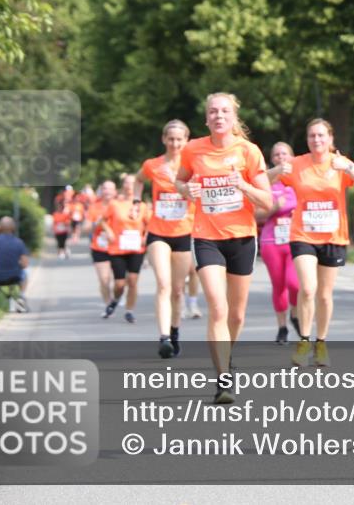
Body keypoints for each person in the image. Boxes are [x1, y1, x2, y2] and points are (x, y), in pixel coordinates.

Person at [174, 92, 272, 404]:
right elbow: (179, 181)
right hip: (206, 236)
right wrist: (185, 189)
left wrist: (243, 186)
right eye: (213, 111)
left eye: (224, 111)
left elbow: (268, 202)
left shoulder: (248, 151)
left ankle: (228, 359)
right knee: (218, 307)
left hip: (242, 237)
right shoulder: (193, 149)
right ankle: (223, 379)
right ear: (206, 119)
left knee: (237, 315)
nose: (218, 116)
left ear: (233, 117)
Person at [280, 119, 354, 368]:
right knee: (308, 289)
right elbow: (269, 180)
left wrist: (348, 168)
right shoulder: (297, 164)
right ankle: (304, 340)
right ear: (307, 139)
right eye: (312, 136)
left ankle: (321, 343)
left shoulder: (341, 163)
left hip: (333, 236)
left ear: (331, 139)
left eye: (322, 136)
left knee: (324, 295)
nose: (317, 140)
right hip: (303, 235)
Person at [136, 120, 197, 359]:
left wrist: (183, 187)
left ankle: (174, 332)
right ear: (164, 140)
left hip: (183, 232)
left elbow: (198, 193)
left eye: (179, 139)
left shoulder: (192, 167)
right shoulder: (152, 165)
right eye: (170, 139)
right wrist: (136, 201)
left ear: (186, 141)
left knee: (178, 290)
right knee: (163, 283)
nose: (174, 143)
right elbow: (139, 179)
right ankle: (163, 338)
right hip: (158, 232)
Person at [258, 142, 301, 345]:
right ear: (272, 159)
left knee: (295, 283)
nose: (280, 157)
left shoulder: (300, 181)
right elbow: (256, 215)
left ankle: (295, 313)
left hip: (295, 240)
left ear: (292, 156)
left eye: (285, 153)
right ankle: (282, 327)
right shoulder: (265, 183)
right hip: (271, 240)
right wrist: (274, 207)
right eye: (276, 154)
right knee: (279, 285)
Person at [98, 174, 151, 323]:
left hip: (136, 248)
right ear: (123, 186)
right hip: (118, 248)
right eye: (127, 183)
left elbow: (149, 224)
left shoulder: (142, 206)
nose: (129, 186)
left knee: (133, 280)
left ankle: (129, 310)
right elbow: (102, 221)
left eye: (133, 183)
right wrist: (108, 231)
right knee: (120, 283)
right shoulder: (115, 204)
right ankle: (115, 299)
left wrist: (145, 236)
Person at [0, 216, 29, 310]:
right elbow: (25, 264)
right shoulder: (19, 243)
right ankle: (21, 296)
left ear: (1, 227)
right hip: (15, 277)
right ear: (13, 228)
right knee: (25, 274)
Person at [88, 180, 117, 304]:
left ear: (115, 192)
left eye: (110, 189)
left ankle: (117, 295)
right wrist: (96, 224)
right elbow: (86, 227)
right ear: (101, 190)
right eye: (105, 188)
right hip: (99, 246)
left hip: (119, 247)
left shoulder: (120, 205)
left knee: (120, 279)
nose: (107, 191)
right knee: (104, 279)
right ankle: (108, 303)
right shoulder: (94, 207)